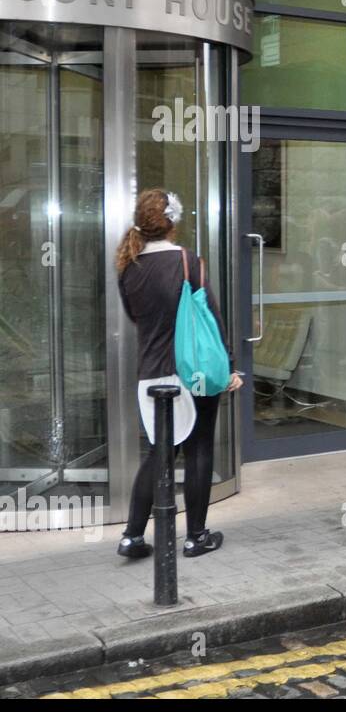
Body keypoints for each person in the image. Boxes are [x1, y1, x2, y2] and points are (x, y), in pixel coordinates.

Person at [115, 189, 243, 560]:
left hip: (151, 375)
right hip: (193, 373)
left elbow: (135, 317)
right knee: (200, 448)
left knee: (159, 453)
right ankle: (196, 536)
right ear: (171, 222)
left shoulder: (128, 265)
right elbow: (210, 318)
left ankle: (132, 536)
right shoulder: (188, 262)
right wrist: (229, 365)